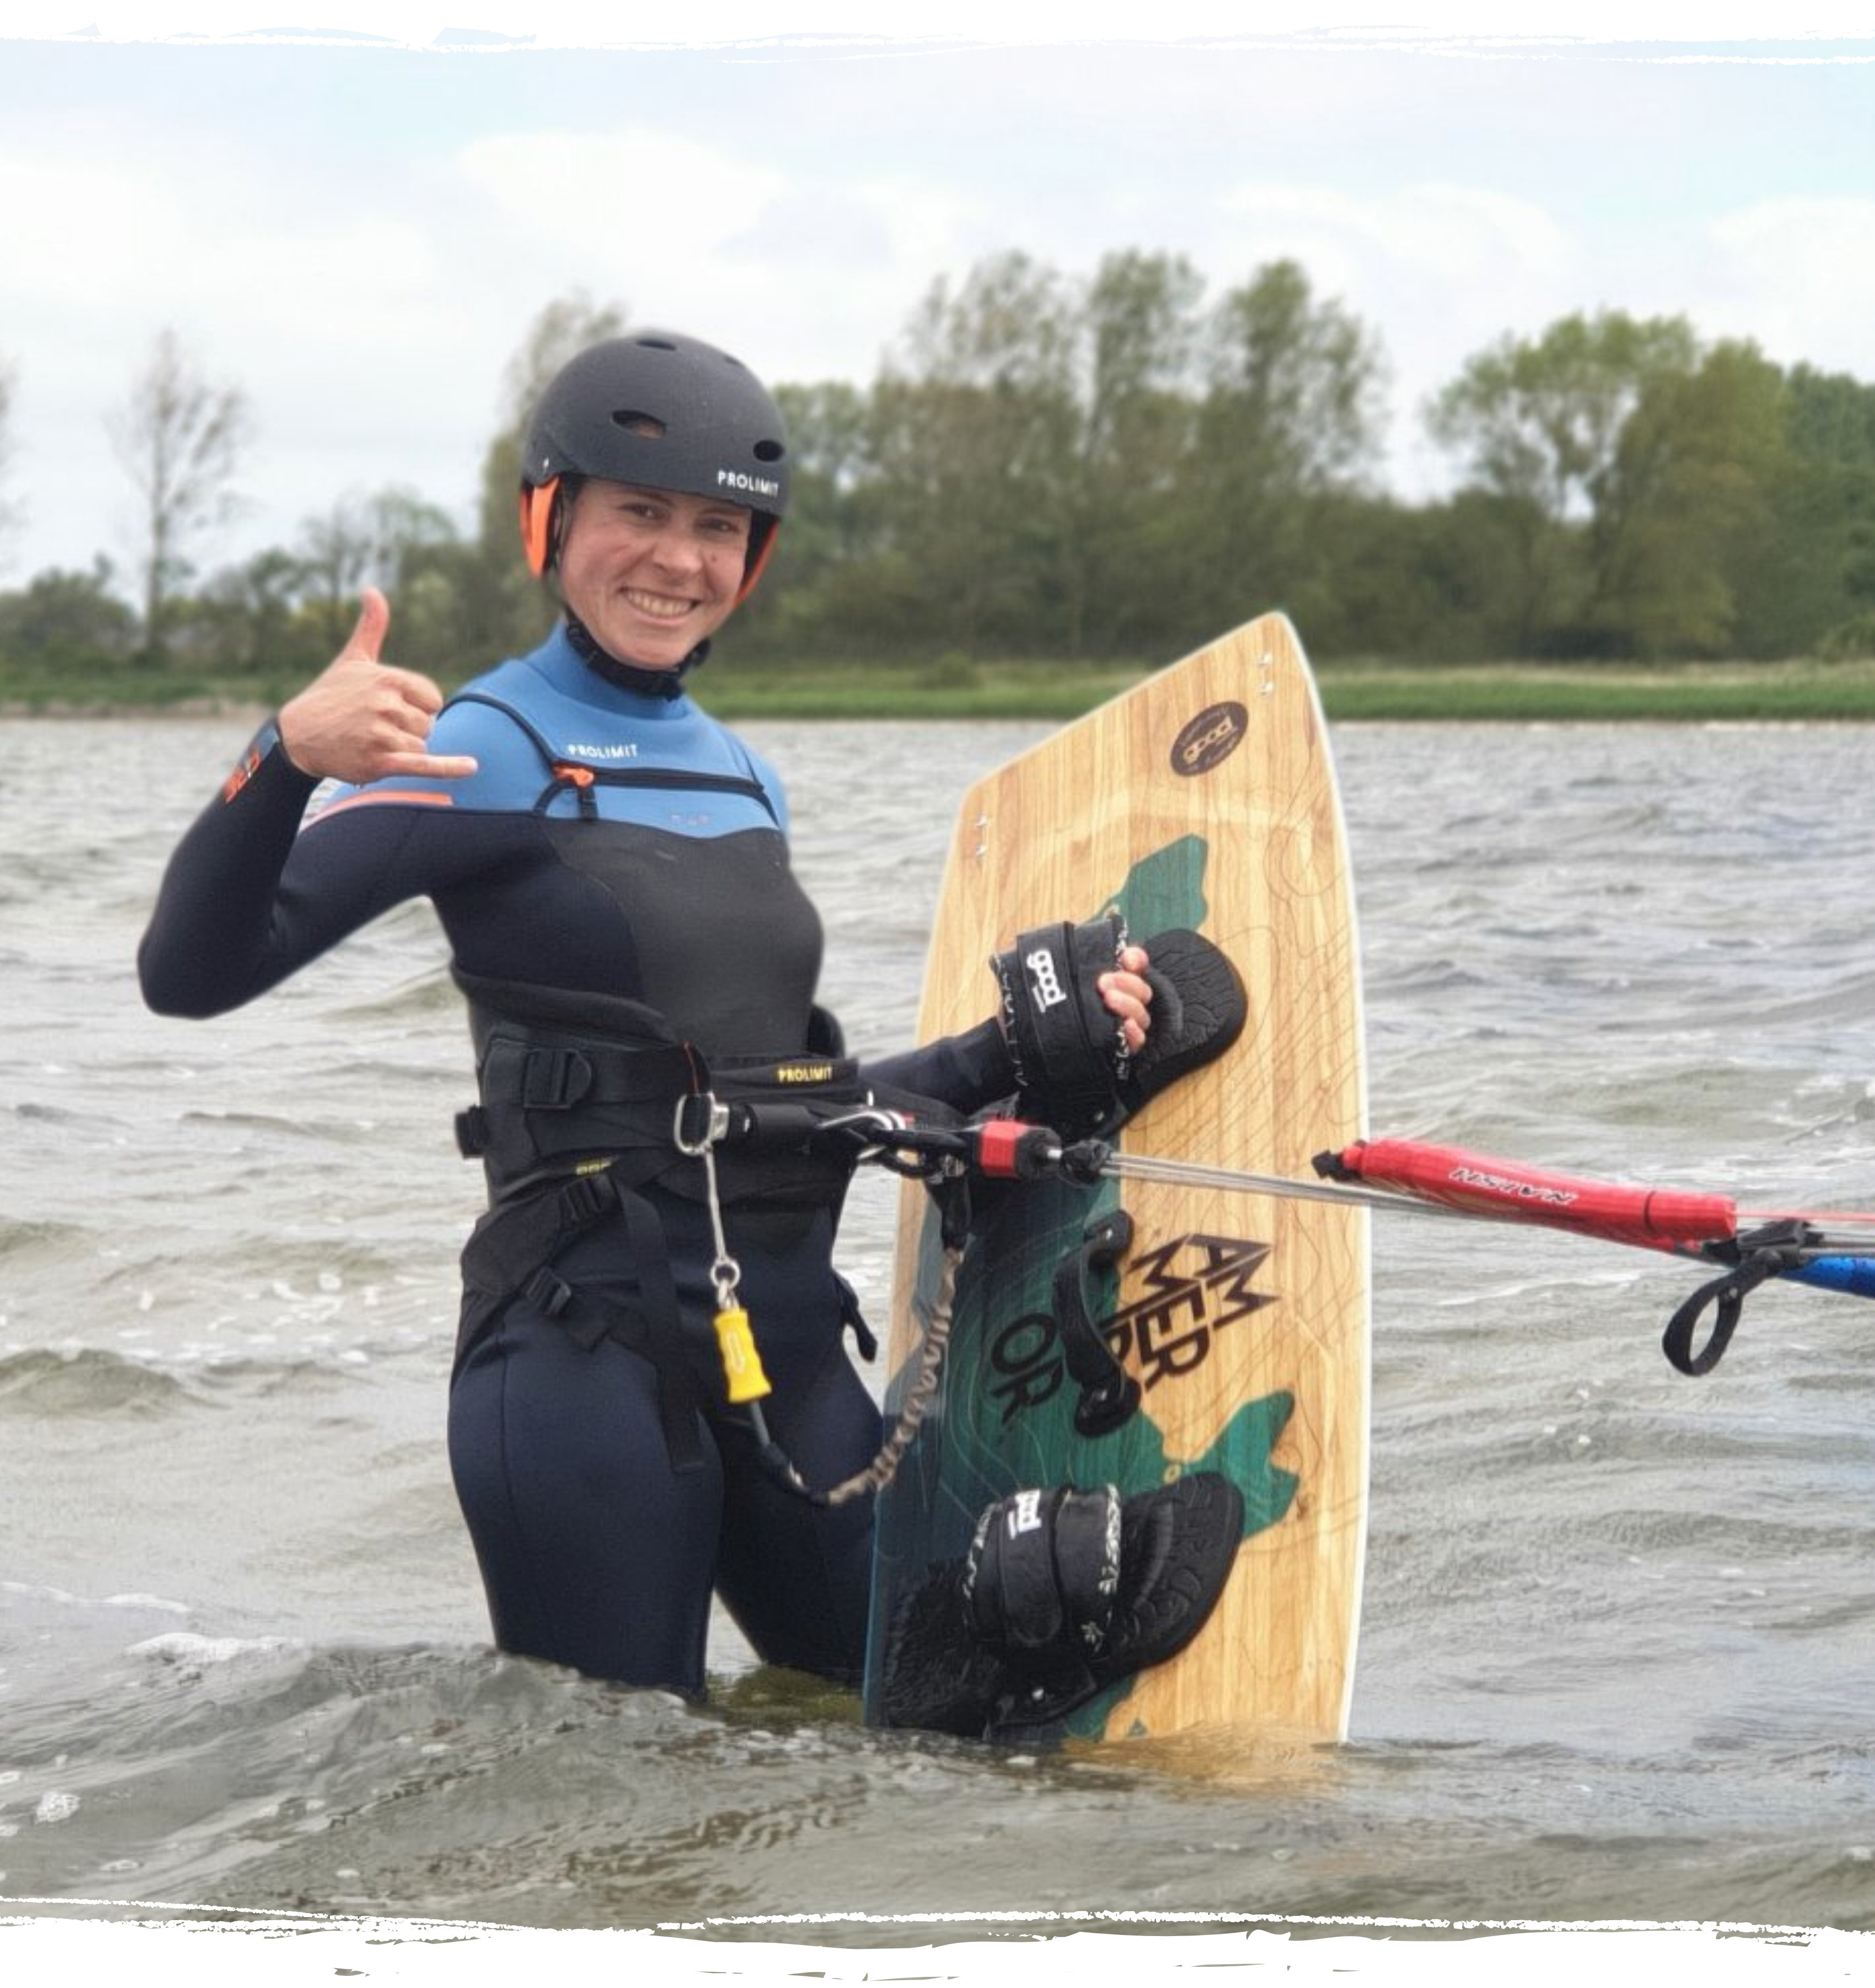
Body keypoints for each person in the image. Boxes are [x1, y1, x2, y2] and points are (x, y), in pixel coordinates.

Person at [137, 330, 1207, 1705]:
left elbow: (753, 1104)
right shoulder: (484, 750)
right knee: (622, 1814)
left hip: (784, 1347)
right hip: (585, 1372)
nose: (678, 559)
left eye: (719, 526)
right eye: (639, 511)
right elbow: (193, 971)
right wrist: (279, 762)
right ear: (554, 518)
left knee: (916, 1721)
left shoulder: (743, 778)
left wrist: (1007, 1051)